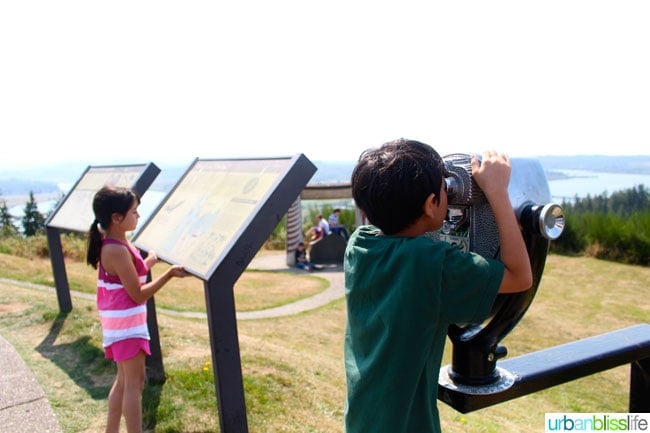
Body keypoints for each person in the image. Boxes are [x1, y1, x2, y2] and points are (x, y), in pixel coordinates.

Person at [343, 139, 532, 433]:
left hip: (362, 418)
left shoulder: (360, 243)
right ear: (431, 204)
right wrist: (497, 193)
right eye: (446, 189)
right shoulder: (432, 266)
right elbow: (520, 277)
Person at [86, 185, 190, 433]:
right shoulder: (116, 249)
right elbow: (137, 294)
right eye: (134, 211)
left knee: (123, 383)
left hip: (119, 326)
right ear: (116, 218)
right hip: (127, 327)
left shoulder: (114, 243)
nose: (138, 216)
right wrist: (169, 274)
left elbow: (129, 275)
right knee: (135, 385)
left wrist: (150, 261)